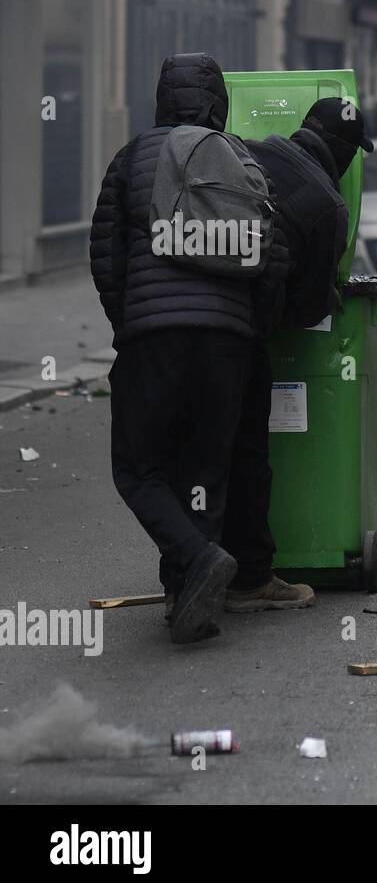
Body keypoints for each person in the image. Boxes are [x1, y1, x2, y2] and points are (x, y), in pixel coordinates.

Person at [89, 53, 288, 644]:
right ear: (219, 102)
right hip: (227, 343)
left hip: (155, 338)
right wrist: (252, 332)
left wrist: (130, 324)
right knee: (206, 470)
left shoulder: (132, 158)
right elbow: (270, 258)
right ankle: (188, 598)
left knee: (140, 467)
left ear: (158, 99)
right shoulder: (240, 157)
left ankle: (192, 570)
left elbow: (107, 256)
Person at [215, 97, 371, 614]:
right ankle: (253, 576)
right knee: (249, 456)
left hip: (192, 323)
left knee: (196, 453)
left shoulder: (245, 152)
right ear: (346, 155)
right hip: (245, 335)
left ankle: (192, 567)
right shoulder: (329, 205)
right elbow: (306, 310)